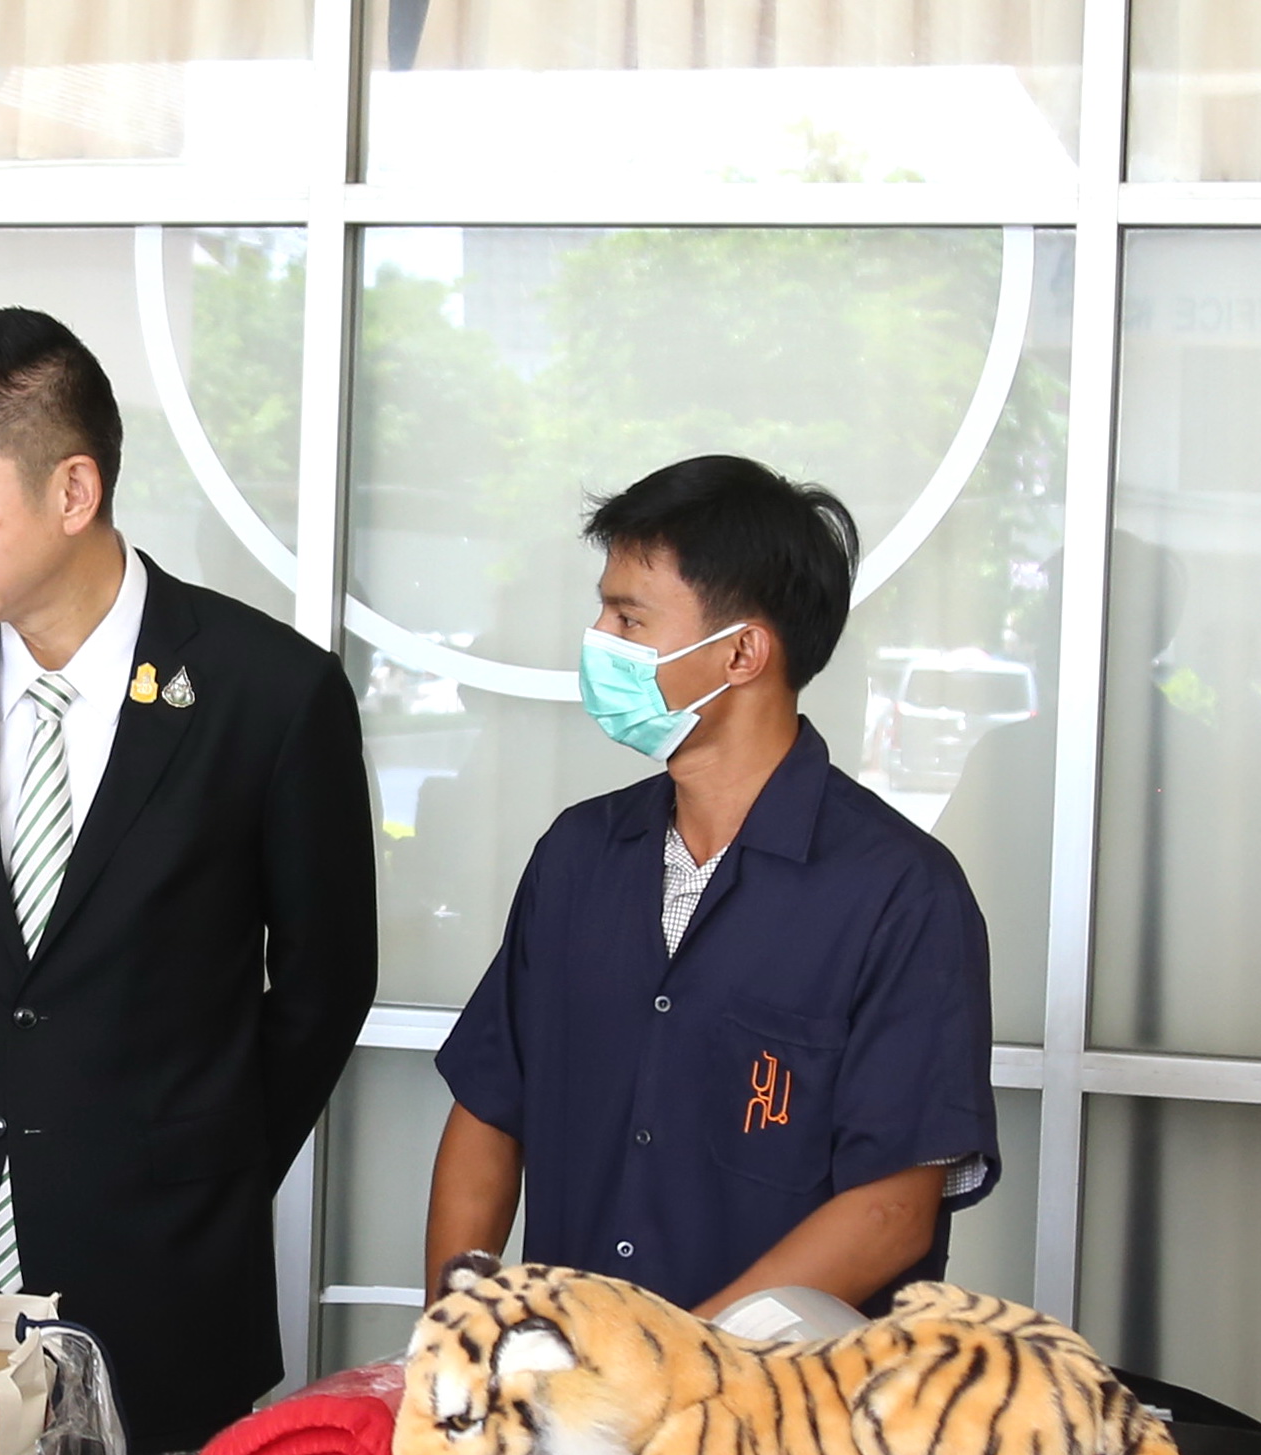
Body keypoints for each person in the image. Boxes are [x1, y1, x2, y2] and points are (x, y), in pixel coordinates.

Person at [0, 307, 377, 1453]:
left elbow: (325, 984)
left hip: (159, 1277)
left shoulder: (268, 693)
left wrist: (202, 1165)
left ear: (73, 489)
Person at [423, 457, 993, 1335]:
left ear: (740, 653)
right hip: (565, 1393)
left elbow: (891, 1211)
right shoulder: (579, 856)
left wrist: (674, 1365)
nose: (599, 639)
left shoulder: (900, 892)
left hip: (788, 1403)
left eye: (629, 619)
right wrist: (456, 1337)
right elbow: (488, 1114)